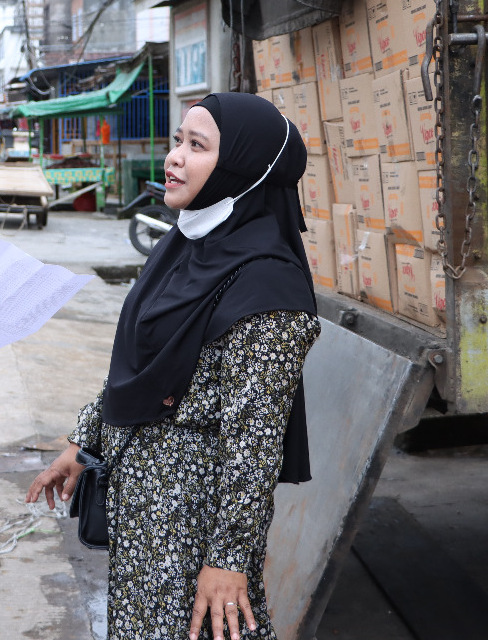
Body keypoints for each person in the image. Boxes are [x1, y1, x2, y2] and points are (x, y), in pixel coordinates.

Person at [27, 92, 320, 640]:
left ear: (243, 168)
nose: (174, 158)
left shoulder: (269, 290)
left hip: (192, 527)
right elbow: (142, 366)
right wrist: (83, 441)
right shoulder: (183, 247)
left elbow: (253, 444)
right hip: (142, 517)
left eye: (197, 146)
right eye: (178, 140)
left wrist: (229, 559)